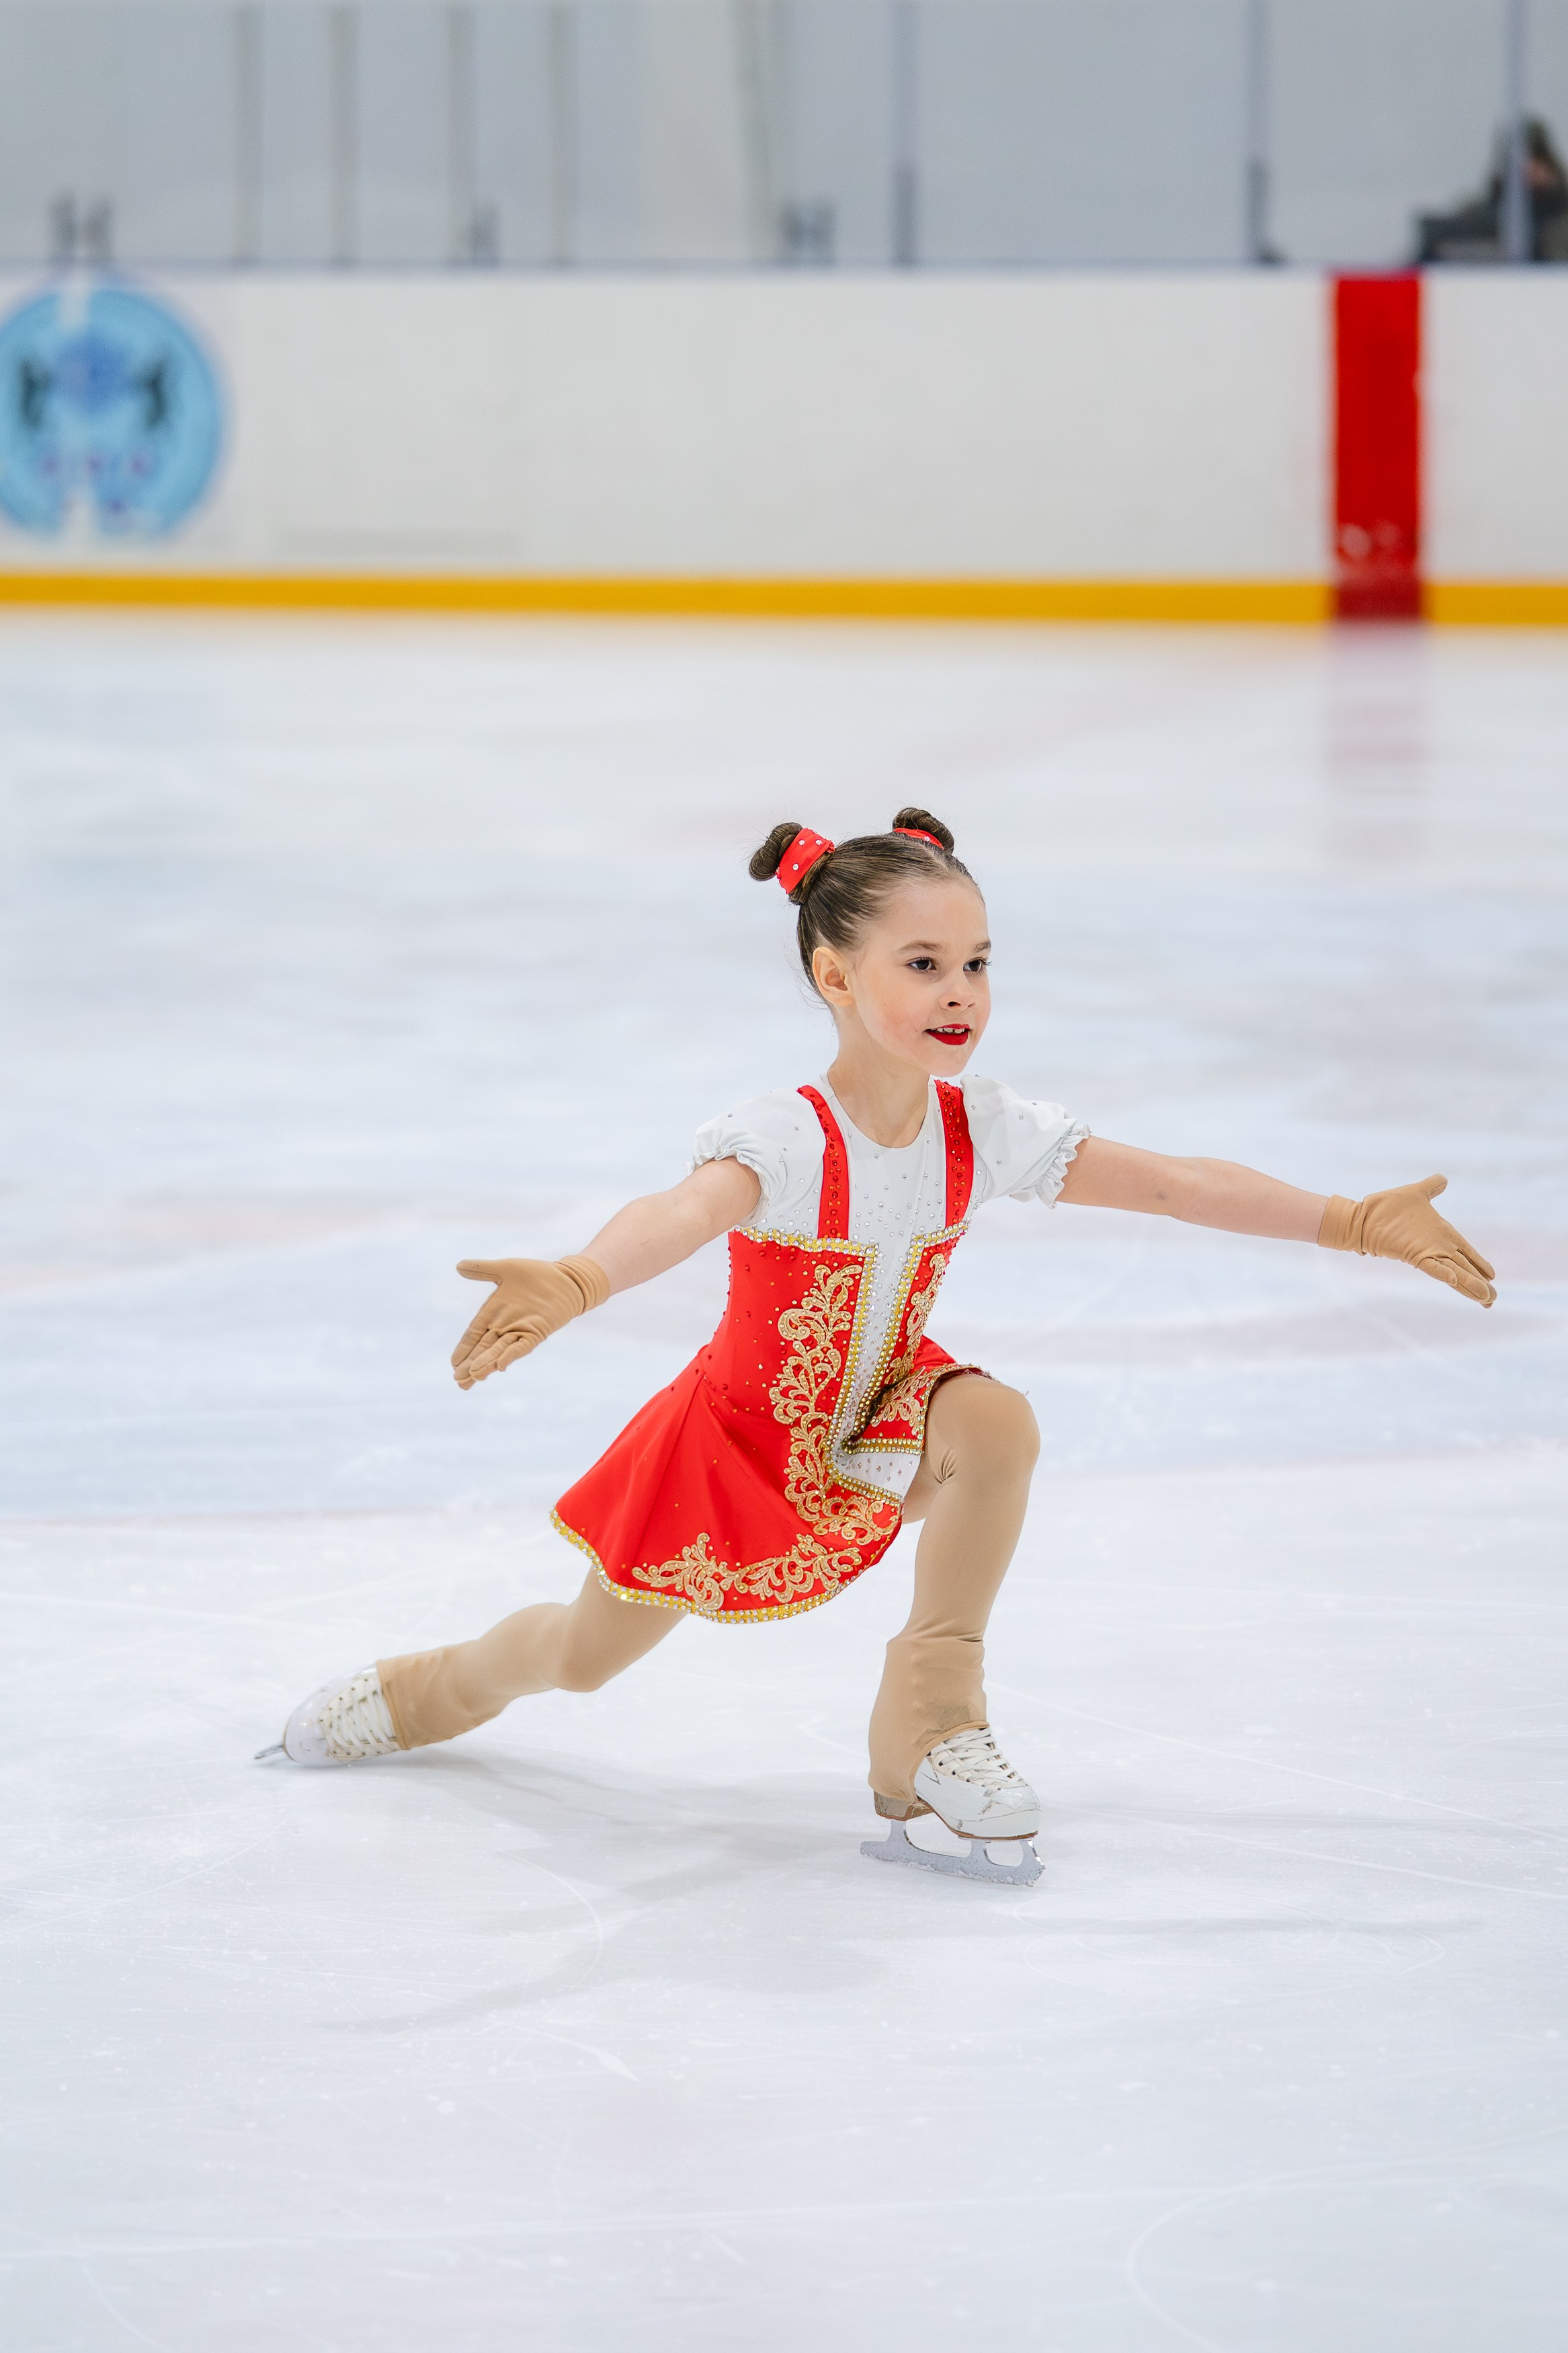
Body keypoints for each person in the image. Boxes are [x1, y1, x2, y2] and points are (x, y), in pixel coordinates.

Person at [258, 813, 1496, 1883]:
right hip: (739, 1445)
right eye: (922, 963)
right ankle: (427, 1690)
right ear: (834, 977)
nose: (960, 991)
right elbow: (681, 1217)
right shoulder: (784, 1138)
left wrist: (1352, 1220)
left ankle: (929, 1723)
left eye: (975, 962)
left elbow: (1171, 1184)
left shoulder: (982, 1127)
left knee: (996, 1422)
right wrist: (582, 1276)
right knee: (583, 1658)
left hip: (886, 1411)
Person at [1416, 117, 1568, 264]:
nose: (1527, 167)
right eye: (1518, 161)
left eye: (1536, 158)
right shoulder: (1483, 215)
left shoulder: (1560, 217)